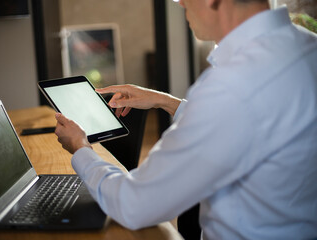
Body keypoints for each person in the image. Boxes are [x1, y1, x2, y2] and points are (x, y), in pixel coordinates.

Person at [54, 0, 317, 239]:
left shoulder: (232, 86)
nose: (179, 3)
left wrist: (81, 147)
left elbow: (134, 204)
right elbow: (255, 124)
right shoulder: (307, 46)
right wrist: (166, 101)